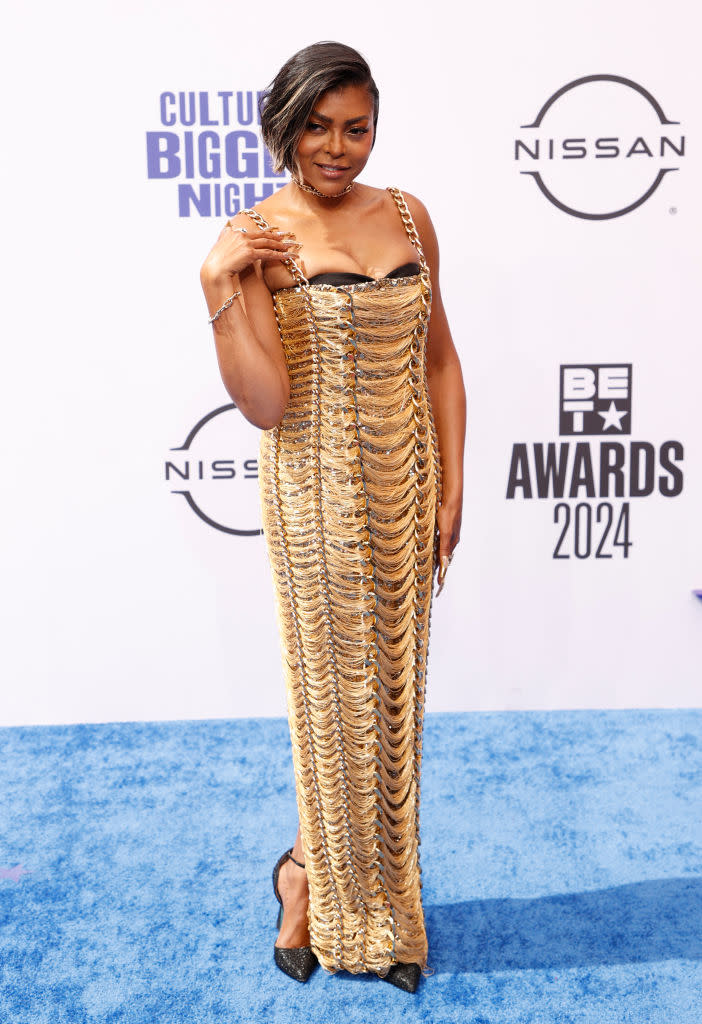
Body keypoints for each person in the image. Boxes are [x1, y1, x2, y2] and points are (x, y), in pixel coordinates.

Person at [200, 41, 466, 993]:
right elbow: (266, 403)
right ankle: (333, 906)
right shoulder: (261, 238)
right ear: (285, 127)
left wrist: (452, 483)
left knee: (392, 705)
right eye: (317, 126)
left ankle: (341, 885)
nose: (338, 146)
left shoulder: (406, 216)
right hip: (315, 498)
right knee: (335, 708)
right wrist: (219, 288)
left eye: (356, 127)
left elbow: (438, 357)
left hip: (406, 490)